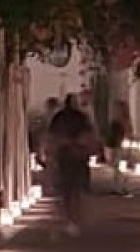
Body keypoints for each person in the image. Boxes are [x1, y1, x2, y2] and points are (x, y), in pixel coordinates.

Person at [47, 93, 95, 237]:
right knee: (76, 189)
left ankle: (69, 219)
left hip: (64, 156)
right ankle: (74, 220)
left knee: (66, 190)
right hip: (77, 156)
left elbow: (52, 136)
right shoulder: (81, 117)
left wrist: (53, 152)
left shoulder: (59, 117)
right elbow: (89, 134)